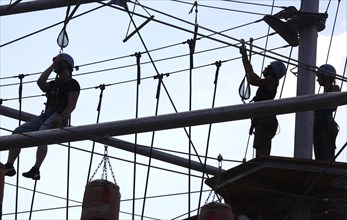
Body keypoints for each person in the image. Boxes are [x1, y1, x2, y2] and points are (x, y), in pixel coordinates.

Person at [4, 53, 80, 180]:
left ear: (65, 65)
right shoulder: (54, 84)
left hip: (58, 115)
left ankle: (36, 169)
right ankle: (9, 165)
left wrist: (61, 117)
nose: (55, 66)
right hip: (46, 114)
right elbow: (40, 82)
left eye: (58, 64)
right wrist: (53, 65)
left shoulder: (72, 84)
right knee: (17, 133)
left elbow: (72, 105)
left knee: (42, 135)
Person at [240, 45, 286, 157]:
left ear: (272, 71)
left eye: (269, 66)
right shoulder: (268, 81)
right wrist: (244, 55)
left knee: (261, 151)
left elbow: (251, 79)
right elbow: (251, 74)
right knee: (261, 149)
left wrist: (245, 57)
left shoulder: (271, 81)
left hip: (265, 120)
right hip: (265, 121)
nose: (266, 67)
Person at [314, 64, 340, 161]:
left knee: (326, 155)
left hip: (326, 126)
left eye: (319, 76)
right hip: (320, 125)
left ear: (325, 76)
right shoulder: (326, 92)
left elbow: (332, 106)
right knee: (319, 155)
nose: (317, 79)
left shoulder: (335, 88)